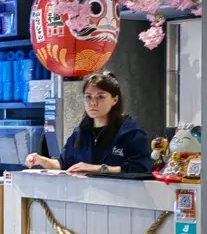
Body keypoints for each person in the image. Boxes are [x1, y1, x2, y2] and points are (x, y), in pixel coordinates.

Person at [25, 70, 153, 175]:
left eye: (100, 97)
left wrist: (98, 169)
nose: (93, 102)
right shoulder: (80, 133)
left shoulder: (131, 133)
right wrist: (41, 160)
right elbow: (63, 164)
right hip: (87, 196)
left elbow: (141, 168)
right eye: (88, 97)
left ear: (114, 100)